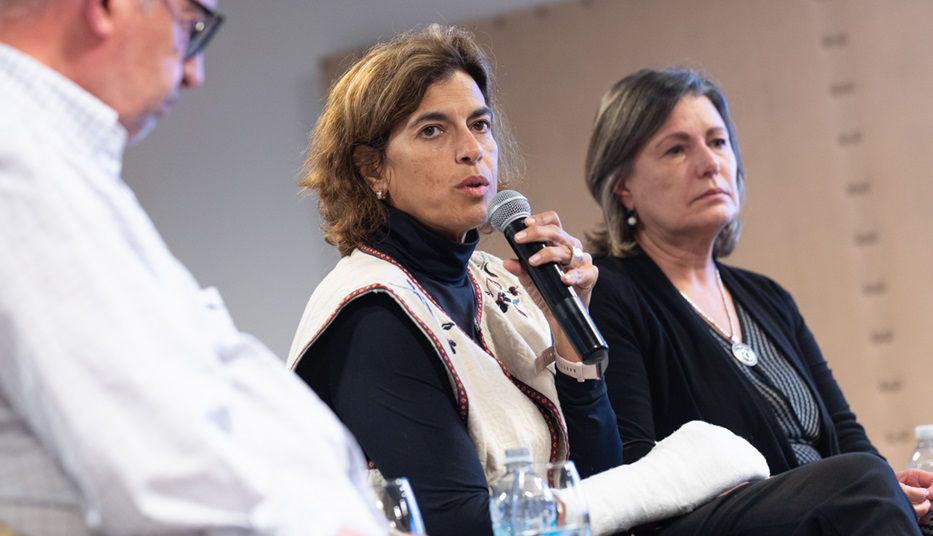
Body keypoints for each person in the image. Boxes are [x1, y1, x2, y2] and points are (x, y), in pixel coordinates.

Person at [288, 26, 774, 536]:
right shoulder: (371, 314)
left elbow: (598, 477)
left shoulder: (497, 281)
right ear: (371, 171)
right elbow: (464, 526)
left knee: (843, 490)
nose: (472, 149)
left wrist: (569, 334)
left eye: (480, 124)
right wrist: (679, 472)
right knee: (842, 493)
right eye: (433, 130)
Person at [0, 1, 383, 534]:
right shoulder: (20, 170)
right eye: (190, 25)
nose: (193, 74)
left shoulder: (58, 166)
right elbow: (169, 490)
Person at [586, 67, 933, 534]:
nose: (710, 163)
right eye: (676, 149)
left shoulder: (768, 298)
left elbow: (846, 433)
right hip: (709, 521)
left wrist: (895, 489)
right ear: (622, 187)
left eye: (718, 141)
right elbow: (632, 461)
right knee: (863, 482)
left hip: (837, 505)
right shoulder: (609, 291)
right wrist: (863, 485)